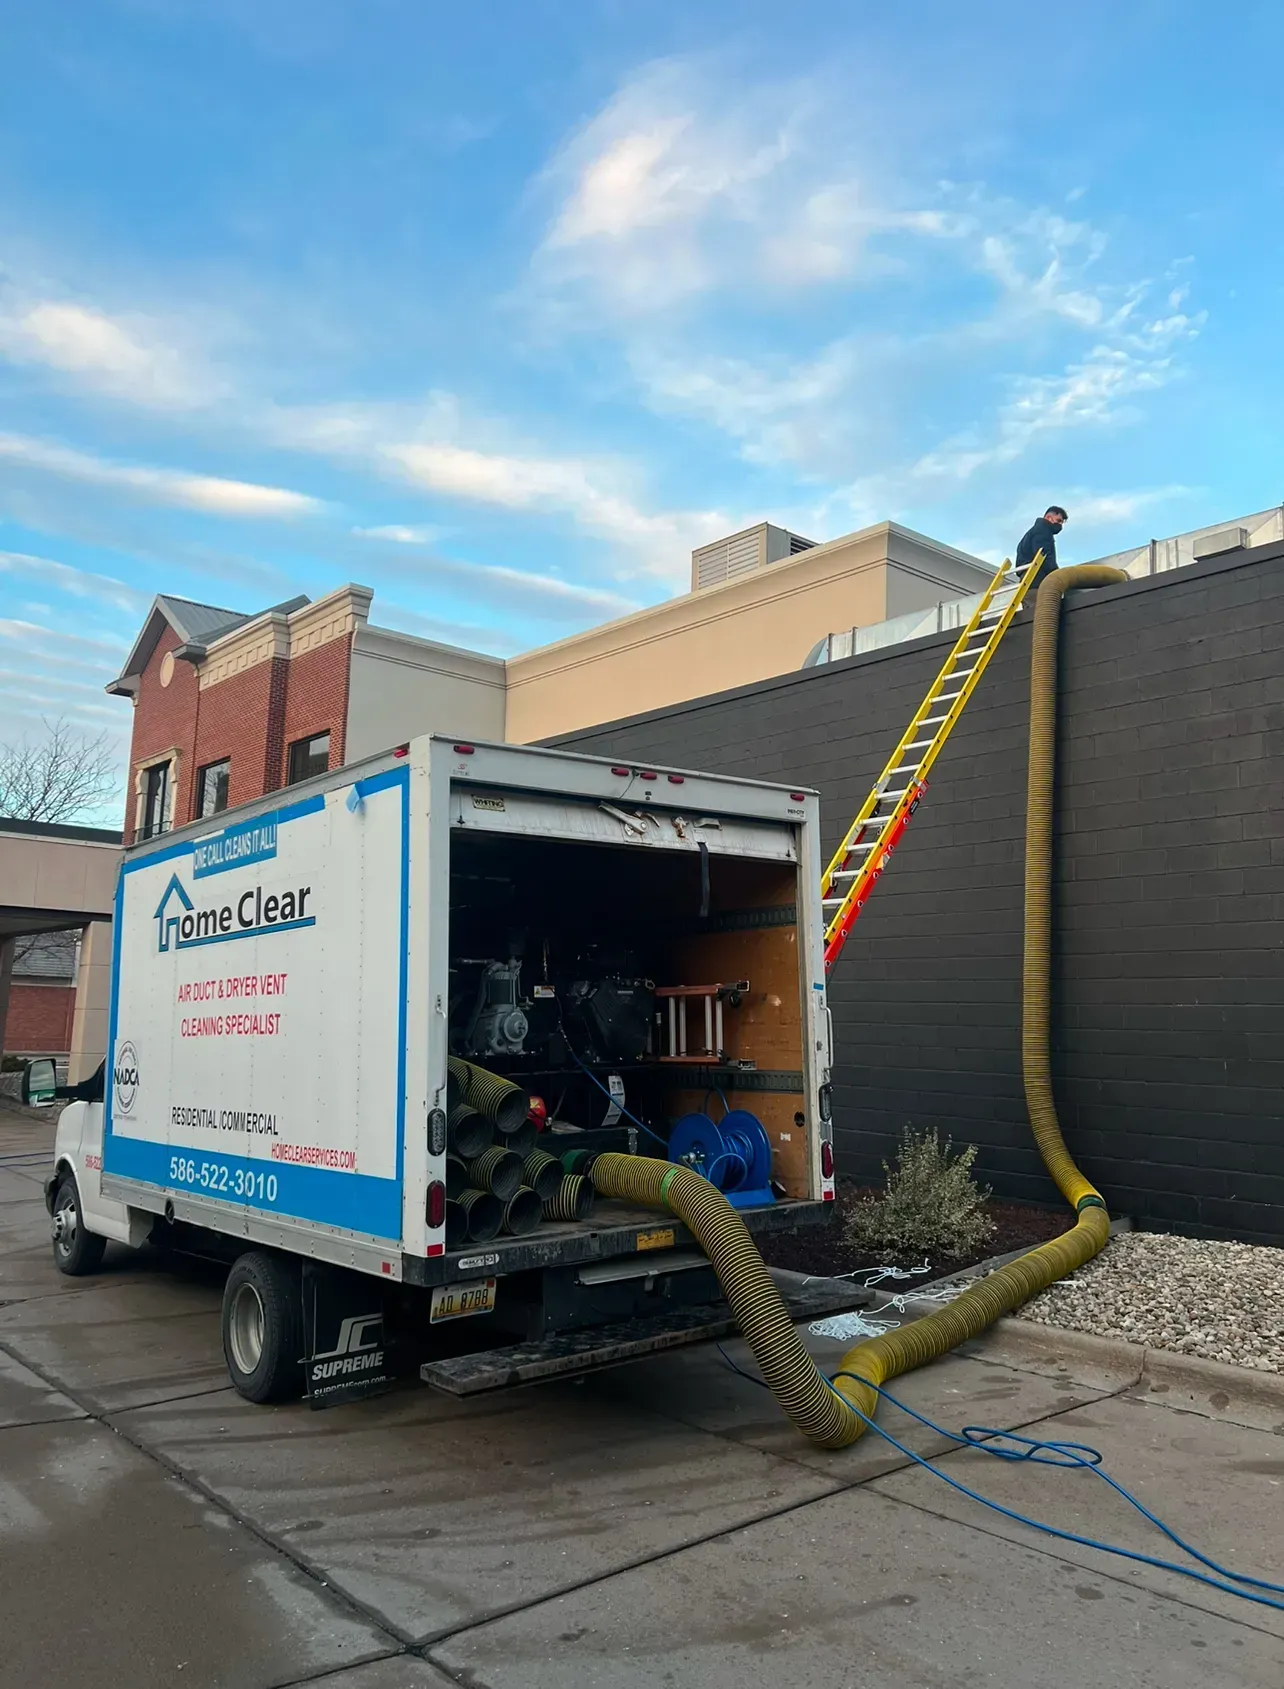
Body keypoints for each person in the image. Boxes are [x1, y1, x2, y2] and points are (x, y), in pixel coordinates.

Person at [1015, 506, 1067, 592]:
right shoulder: (1043, 530)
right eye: (1058, 521)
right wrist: (1058, 575)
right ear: (1048, 517)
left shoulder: (1032, 532)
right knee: (1042, 605)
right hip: (1036, 580)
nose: (1060, 525)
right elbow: (1044, 555)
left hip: (1028, 580)